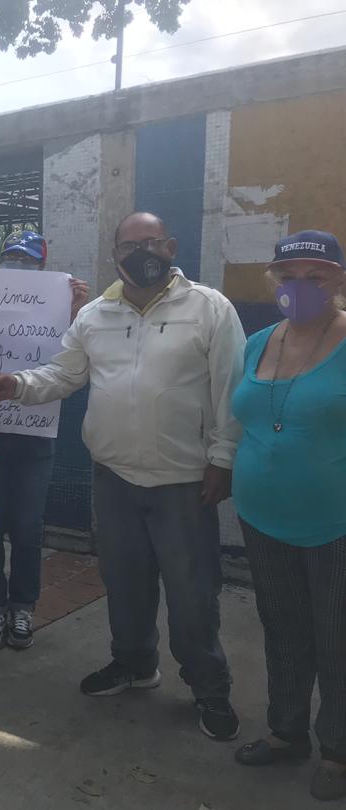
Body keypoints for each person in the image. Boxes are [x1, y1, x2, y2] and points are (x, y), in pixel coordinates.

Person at [0, 212, 246, 742]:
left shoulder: (209, 308)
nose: (142, 252)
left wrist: (223, 459)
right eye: (130, 245)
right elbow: (64, 373)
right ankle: (135, 664)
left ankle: (209, 686)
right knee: (124, 585)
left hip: (184, 479)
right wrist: (19, 383)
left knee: (193, 593)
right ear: (114, 254)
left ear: (170, 245)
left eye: (151, 242)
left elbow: (229, 389)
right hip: (114, 477)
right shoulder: (96, 314)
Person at [230, 230, 346, 802]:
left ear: (340, 281)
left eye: (316, 277)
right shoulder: (258, 342)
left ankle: (339, 749)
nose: (300, 288)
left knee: (338, 639)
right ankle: (287, 730)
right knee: (284, 630)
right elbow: (246, 416)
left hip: (336, 523)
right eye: (288, 276)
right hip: (261, 515)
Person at [0, 230, 90, 651]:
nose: (17, 267)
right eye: (10, 258)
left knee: (26, 528)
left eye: (26, 261)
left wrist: (73, 309)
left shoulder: (67, 309)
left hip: (35, 436)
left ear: (43, 268)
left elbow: (73, 362)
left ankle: (22, 605)